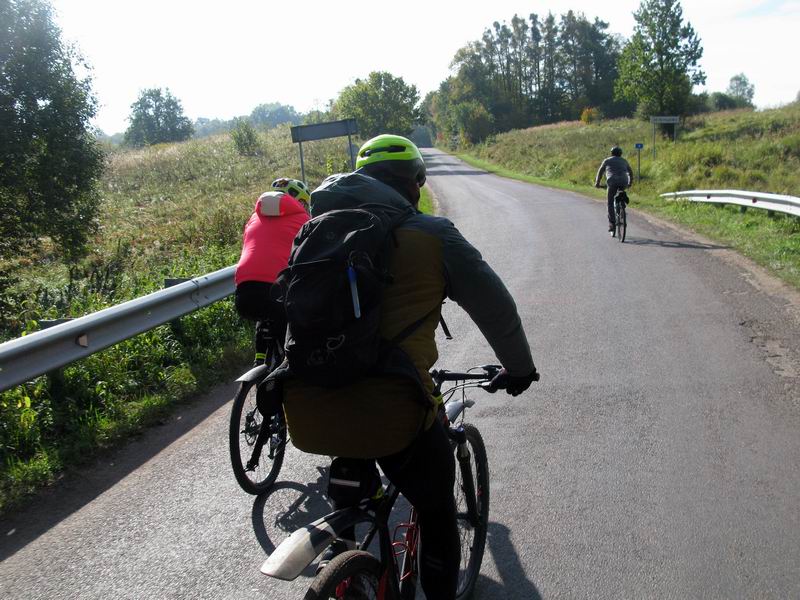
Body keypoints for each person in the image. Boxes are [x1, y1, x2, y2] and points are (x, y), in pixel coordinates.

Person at [281, 134, 538, 599]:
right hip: (394, 412)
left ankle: (347, 561)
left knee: (354, 471)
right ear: (413, 184)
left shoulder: (316, 231)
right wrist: (518, 368)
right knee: (438, 511)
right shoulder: (433, 235)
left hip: (305, 407)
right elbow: (495, 307)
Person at [234, 177, 310, 364]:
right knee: (294, 335)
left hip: (244, 294)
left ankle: (259, 360)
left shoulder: (253, 218)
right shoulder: (304, 220)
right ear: (301, 202)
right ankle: (291, 370)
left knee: (263, 312)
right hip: (278, 292)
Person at [594, 146, 634, 233]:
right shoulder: (624, 161)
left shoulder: (607, 160)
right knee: (621, 193)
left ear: (611, 153)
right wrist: (630, 183)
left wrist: (597, 182)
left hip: (612, 182)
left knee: (610, 202)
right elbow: (630, 172)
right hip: (624, 181)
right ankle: (622, 208)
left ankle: (612, 223)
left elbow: (600, 171)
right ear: (621, 154)